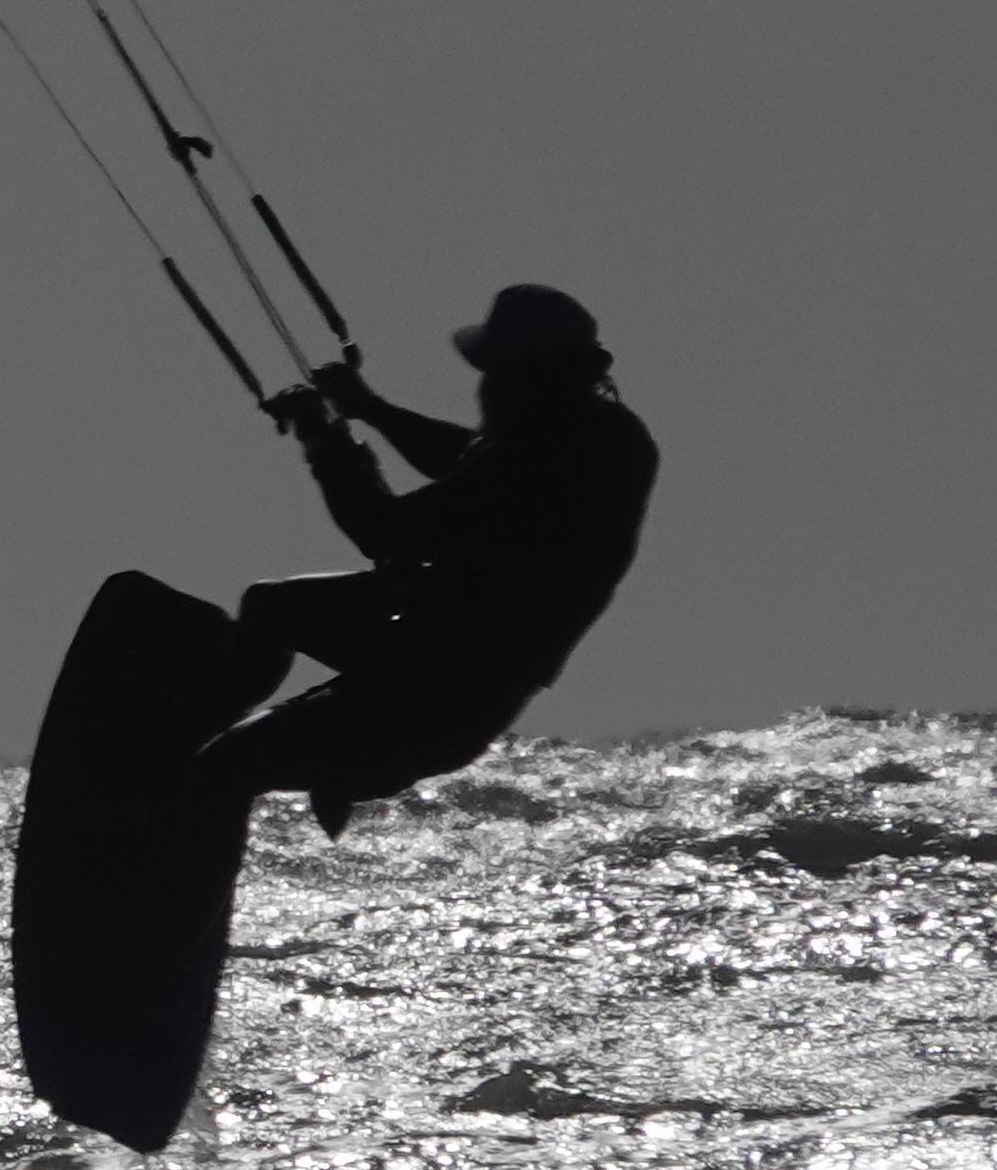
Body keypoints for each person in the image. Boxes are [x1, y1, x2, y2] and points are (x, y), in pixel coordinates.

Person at [191, 283, 657, 836]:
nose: (486, 385)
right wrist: (371, 411)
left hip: (429, 696)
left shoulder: (544, 457)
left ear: (525, 375)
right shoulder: (592, 435)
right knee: (269, 606)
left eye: (495, 371)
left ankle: (177, 811)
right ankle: (191, 737)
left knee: (219, 772)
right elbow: (468, 459)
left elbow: (384, 530)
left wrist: (322, 440)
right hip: (431, 651)